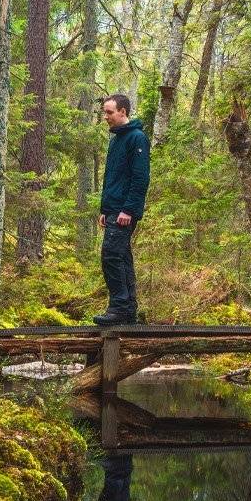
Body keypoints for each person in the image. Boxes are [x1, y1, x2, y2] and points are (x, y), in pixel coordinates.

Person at [94, 93, 150, 326]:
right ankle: (127, 309)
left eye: (109, 112)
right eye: (104, 112)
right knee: (122, 256)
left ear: (123, 112)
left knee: (111, 256)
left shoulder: (136, 138)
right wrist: (105, 210)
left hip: (125, 211)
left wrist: (128, 209)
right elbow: (113, 178)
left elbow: (140, 178)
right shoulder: (116, 139)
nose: (105, 116)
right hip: (114, 210)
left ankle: (119, 307)